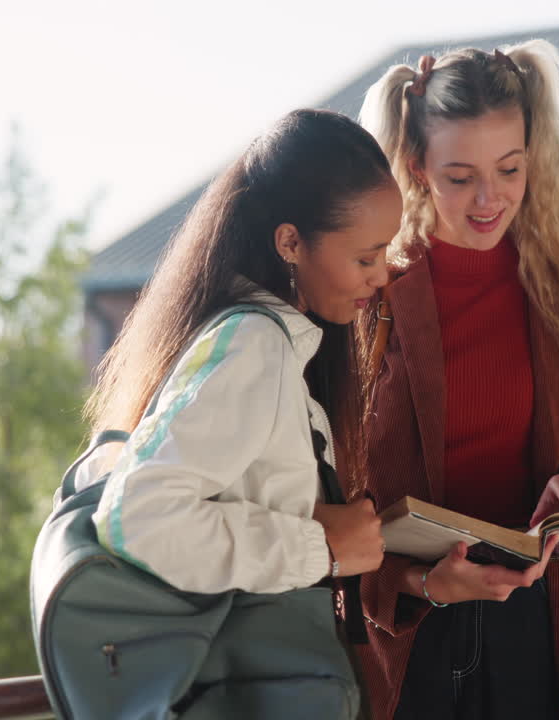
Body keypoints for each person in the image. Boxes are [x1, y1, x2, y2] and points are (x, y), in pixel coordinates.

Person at [354, 40, 559, 719]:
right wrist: (423, 580)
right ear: (415, 166)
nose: (490, 199)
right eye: (460, 177)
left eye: (509, 169)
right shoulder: (366, 300)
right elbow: (320, 507)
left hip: (542, 640)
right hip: (401, 644)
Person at [83, 108, 400, 716]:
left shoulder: (267, 343)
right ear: (289, 243)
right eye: (366, 258)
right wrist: (320, 549)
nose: (382, 276)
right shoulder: (253, 347)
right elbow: (137, 519)